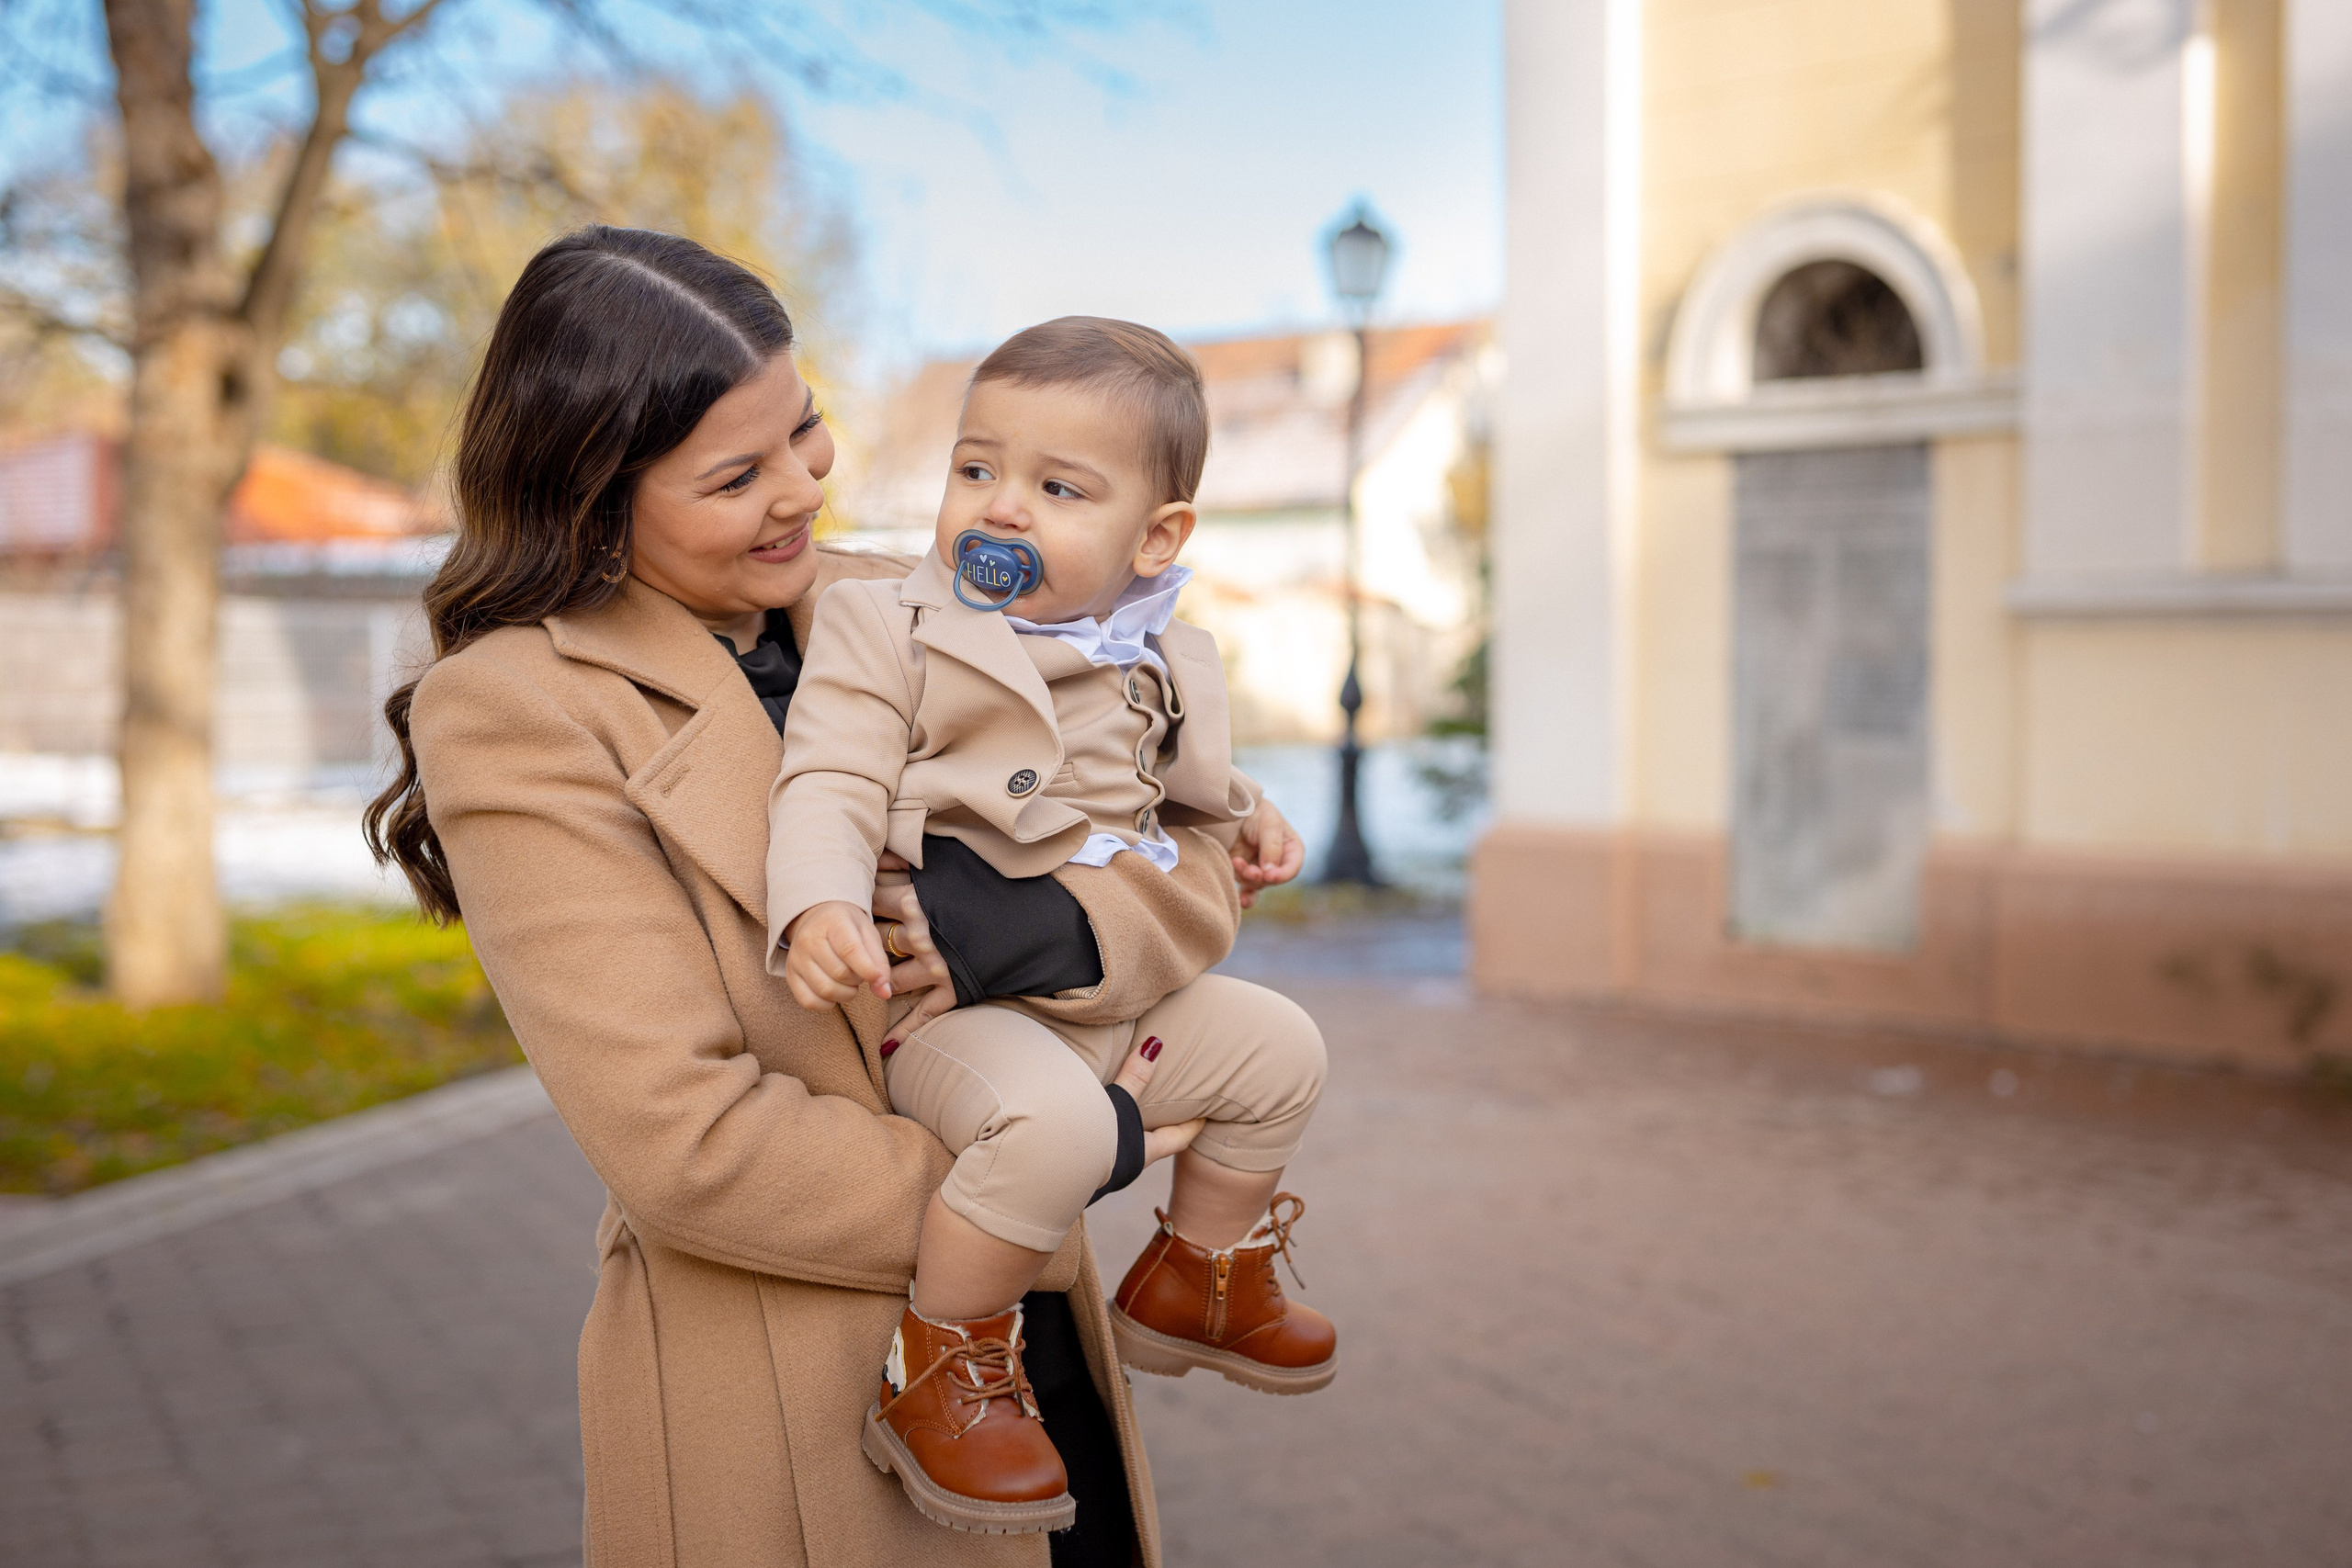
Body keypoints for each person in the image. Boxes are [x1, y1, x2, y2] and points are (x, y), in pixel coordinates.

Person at [366, 228, 1246, 1567]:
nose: (802, 490)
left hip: (1039, 1349)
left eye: (805, 430)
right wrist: (1062, 1155)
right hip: (794, 1396)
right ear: (594, 499)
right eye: (736, 476)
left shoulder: (915, 597)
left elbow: (1185, 846)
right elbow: (688, 1144)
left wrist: (1044, 931)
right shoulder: (514, 710)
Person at [770, 318, 1339, 1535]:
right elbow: (829, 774)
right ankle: (941, 1363)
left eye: (1058, 488)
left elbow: (1167, 781)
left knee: (1282, 1049)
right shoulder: (887, 625)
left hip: (1111, 994)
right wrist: (819, 898)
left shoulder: (1153, 648)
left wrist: (1249, 809)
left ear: (1156, 537)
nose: (1002, 506)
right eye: (976, 468)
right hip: (953, 1013)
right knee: (1054, 1124)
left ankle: (1200, 1274)